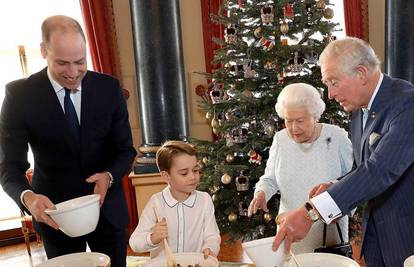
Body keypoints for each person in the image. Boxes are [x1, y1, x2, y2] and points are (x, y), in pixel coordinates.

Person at [0, 15, 137, 266]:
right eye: (62, 63)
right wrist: (28, 198)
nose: (73, 73)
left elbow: (125, 151)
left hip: (108, 213)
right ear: (44, 51)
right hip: (54, 216)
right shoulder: (19, 96)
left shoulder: (109, 89)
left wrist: (108, 176)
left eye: (80, 62)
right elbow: (8, 167)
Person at [272, 37, 414, 267]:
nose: (329, 94)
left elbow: (379, 171)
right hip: (377, 237)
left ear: (361, 73)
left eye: (333, 82)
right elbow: (361, 168)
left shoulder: (407, 104)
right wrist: (335, 185)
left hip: (406, 239)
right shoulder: (360, 111)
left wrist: (312, 212)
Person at [247, 83, 353, 254]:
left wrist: (343, 209)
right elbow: (270, 179)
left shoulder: (336, 137)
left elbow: (353, 181)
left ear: (315, 116)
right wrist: (261, 193)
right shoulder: (280, 140)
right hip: (289, 230)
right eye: (288, 121)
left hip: (328, 235)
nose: (294, 128)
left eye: (300, 121)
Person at [129, 140, 221, 259]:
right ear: (166, 176)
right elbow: (135, 243)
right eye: (184, 173)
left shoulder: (204, 200)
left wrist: (210, 248)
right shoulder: (156, 202)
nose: (193, 177)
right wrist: (153, 238)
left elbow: (212, 236)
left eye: (195, 170)